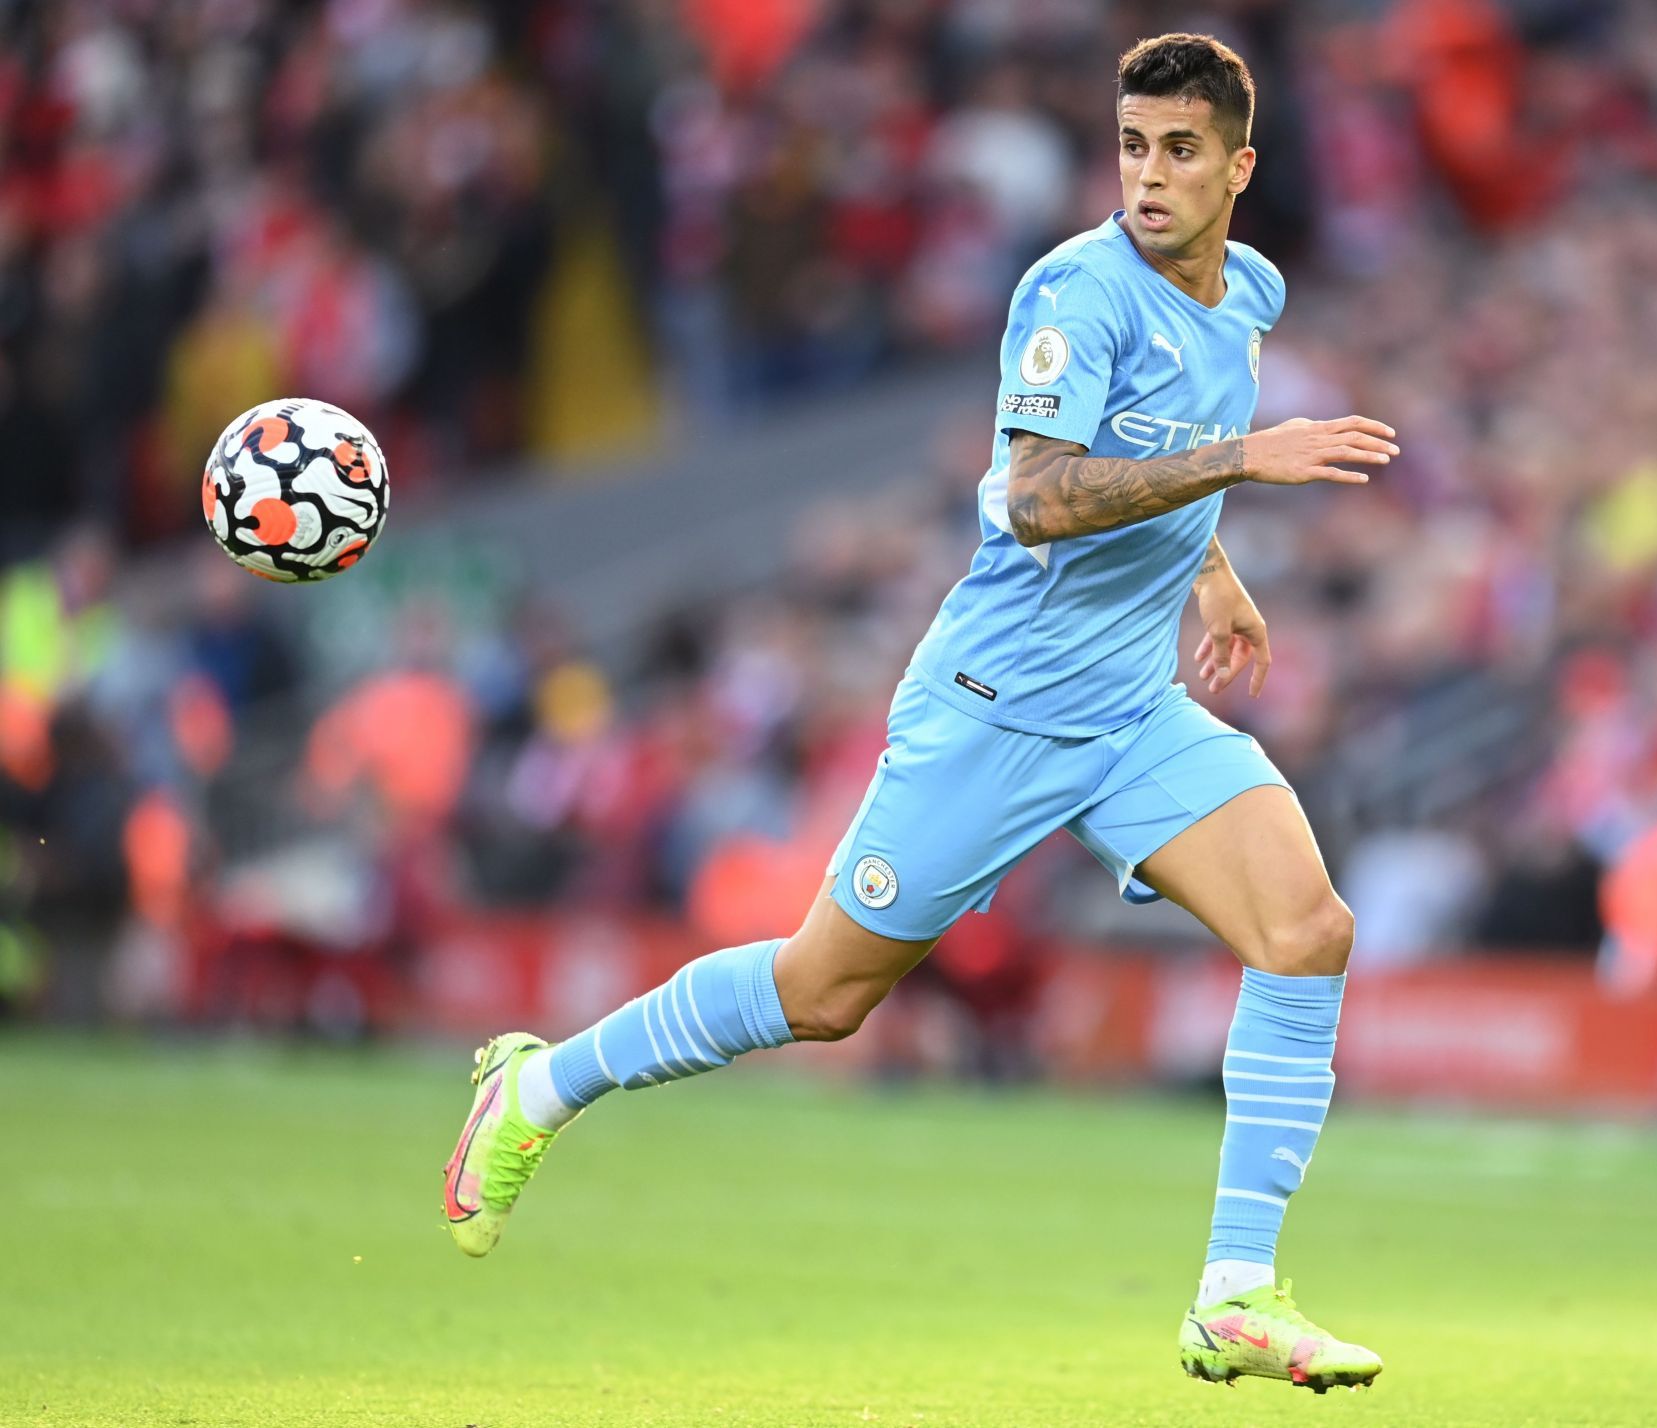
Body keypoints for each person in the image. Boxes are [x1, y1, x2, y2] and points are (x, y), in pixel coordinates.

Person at [441, 32, 1395, 1395]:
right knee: (822, 995)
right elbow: (1039, 492)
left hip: (1128, 709)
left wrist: (1216, 575)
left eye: (1180, 149)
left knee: (1308, 928)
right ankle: (539, 1087)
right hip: (998, 706)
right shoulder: (1074, 291)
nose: (1149, 175)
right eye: (1131, 145)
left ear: (1240, 166)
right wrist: (1244, 464)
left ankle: (1236, 1293)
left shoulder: (1249, 289)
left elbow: (1157, 444)